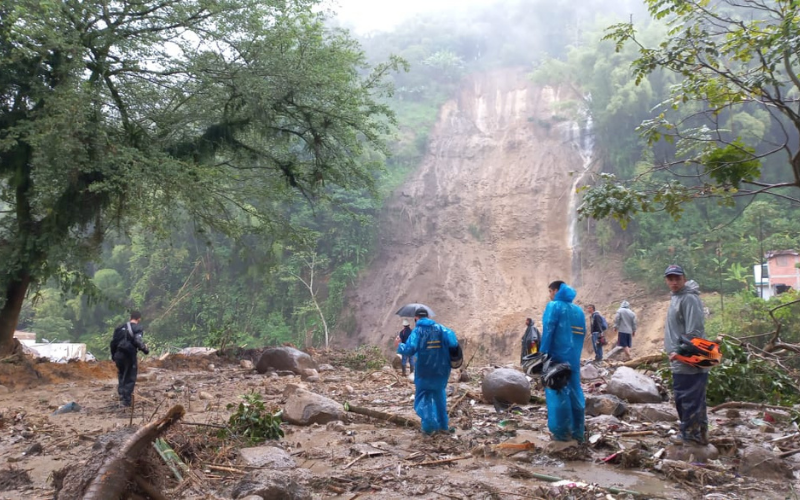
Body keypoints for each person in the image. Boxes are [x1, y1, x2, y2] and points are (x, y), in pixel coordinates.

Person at [664, 264, 710, 446]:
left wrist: (679, 352)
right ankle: (699, 434)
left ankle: (692, 437)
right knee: (686, 398)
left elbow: (695, 331)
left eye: (677, 278)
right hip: (679, 361)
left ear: (684, 278)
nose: (674, 282)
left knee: (689, 398)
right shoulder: (676, 298)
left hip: (688, 360)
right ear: (666, 280)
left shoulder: (689, 298)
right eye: (670, 279)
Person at [397, 307, 459, 434]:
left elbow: (409, 350)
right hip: (441, 371)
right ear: (428, 317)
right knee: (439, 396)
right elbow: (453, 343)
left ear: (416, 318)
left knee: (423, 397)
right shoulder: (442, 329)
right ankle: (443, 426)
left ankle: (429, 427)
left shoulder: (417, 331)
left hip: (424, 371)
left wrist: (399, 345)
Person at [540, 281, 586, 442]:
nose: (550, 295)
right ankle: (578, 432)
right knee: (575, 392)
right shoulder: (579, 311)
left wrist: (543, 354)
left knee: (557, 392)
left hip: (556, 358)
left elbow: (549, 329)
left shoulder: (554, 306)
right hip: (573, 359)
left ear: (556, 291)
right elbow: (581, 336)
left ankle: (561, 432)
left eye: (550, 291)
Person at [110, 311, 149, 407]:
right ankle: (126, 401)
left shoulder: (119, 328)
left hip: (118, 354)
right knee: (130, 377)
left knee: (122, 375)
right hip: (129, 355)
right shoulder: (137, 328)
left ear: (130, 317)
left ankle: (122, 396)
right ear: (139, 319)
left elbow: (113, 343)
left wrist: (113, 356)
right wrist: (145, 349)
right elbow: (137, 340)